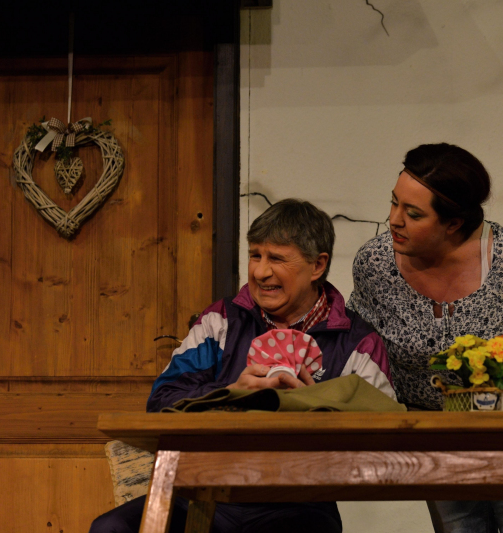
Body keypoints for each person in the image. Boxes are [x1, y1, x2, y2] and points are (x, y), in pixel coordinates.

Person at [90, 199, 395, 533]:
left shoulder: (358, 344)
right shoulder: (219, 321)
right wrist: (229, 394)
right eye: (255, 255)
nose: (260, 272)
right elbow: (161, 402)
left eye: (276, 258)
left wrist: (317, 410)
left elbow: (385, 445)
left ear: (317, 265)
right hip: (202, 492)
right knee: (112, 528)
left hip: (301, 502)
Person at [348, 143, 503, 533]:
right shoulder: (375, 264)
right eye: (394, 203)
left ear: (453, 223)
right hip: (435, 435)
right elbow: (359, 334)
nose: (394, 220)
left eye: (413, 213)